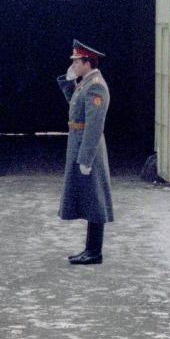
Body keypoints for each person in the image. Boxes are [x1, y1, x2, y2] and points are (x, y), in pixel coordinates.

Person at [57, 40, 113, 264]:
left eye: (76, 61)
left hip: (88, 148)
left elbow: (94, 125)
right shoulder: (85, 83)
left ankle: (95, 252)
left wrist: (86, 157)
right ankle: (90, 249)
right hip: (79, 143)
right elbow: (75, 104)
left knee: (95, 199)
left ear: (87, 62)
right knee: (90, 198)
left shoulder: (96, 85)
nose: (74, 65)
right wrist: (68, 80)